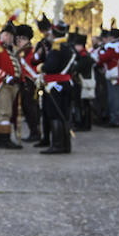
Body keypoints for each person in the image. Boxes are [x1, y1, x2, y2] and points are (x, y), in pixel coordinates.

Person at [38, 21, 74, 154]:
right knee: (63, 114)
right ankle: (65, 144)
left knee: (55, 114)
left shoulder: (57, 48)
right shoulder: (68, 46)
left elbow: (50, 66)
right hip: (64, 84)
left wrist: (41, 67)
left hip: (55, 85)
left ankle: (58, 145)